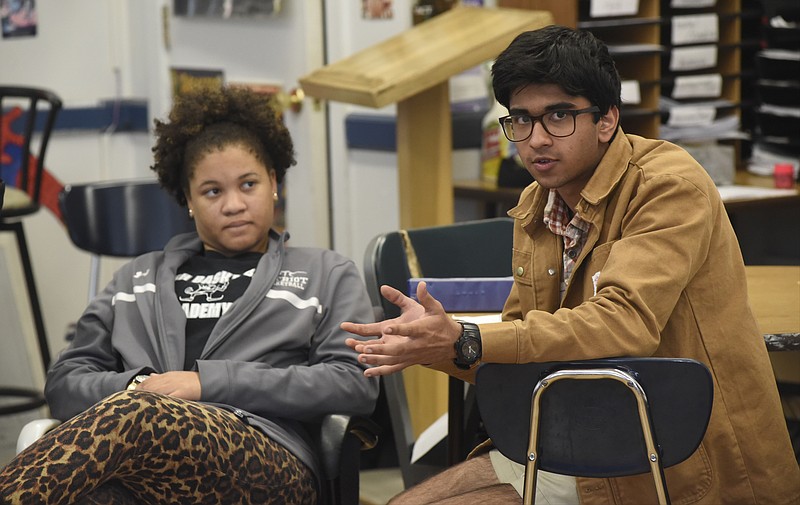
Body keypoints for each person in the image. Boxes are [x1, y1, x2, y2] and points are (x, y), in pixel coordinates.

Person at [342, 25, 800, 504]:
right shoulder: (537, 203)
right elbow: (523, 349)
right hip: (575, 439)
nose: (536, 139)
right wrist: (432, 345)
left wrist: (468, 337)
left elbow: (625, 324)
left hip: (674, 461)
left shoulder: (666, 184)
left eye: (558, 116)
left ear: (606, 121)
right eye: (521, 119)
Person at [0, 85, 379, 504]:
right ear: (189, 202)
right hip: (143, 467)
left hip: (267, 459)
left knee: (137, 413)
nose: (233, 204)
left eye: (248, 184)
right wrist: (140, 384)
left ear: (274, 183)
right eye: (213, 191)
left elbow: (351, 383)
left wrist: (205, 384)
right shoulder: (136, 280)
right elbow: (65, 382)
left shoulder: (324, 273)